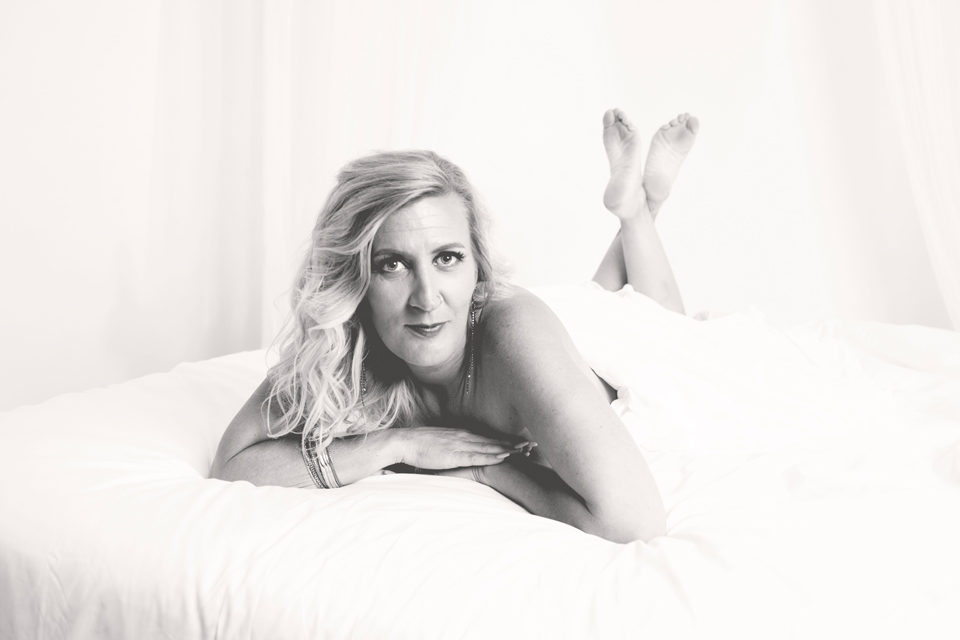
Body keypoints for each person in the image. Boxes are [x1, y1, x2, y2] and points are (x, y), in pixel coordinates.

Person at [210, 109, 699, 543]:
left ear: (477, 269)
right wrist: (397, 444)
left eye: (447, 258)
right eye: (392, 265)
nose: (426, 298)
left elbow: (633, 523)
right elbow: (232, 463)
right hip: (561, 333)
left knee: (663, 325)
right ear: (353, 279)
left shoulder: (513, 332)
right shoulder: (348, 350)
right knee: (598, 300)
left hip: (604, 360)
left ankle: (638, 213)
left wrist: (492, 469)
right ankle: (638, 211)